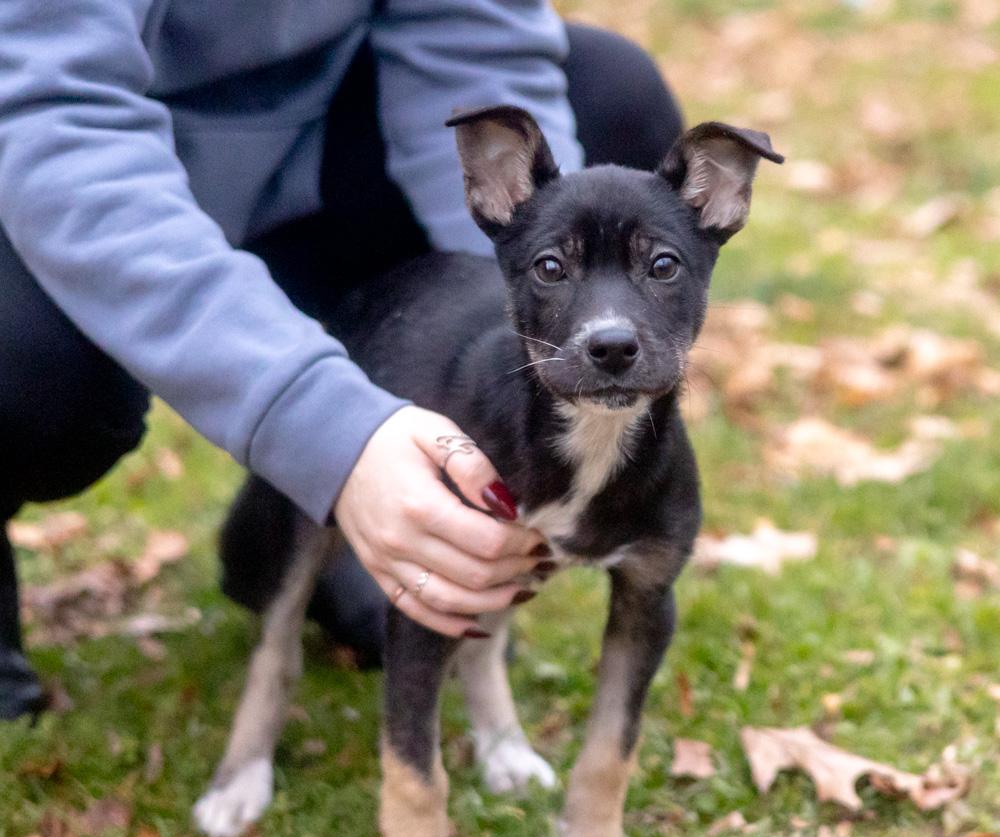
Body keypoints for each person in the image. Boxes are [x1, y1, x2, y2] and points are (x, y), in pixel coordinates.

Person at [0, 3, 684, 720]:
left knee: (610, 94)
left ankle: (313, 531)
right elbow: (53, 119)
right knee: (26, 369)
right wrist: (327, 431)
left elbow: (472, 44)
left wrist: (526, 327)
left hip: (327, 141)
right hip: (57, 165)